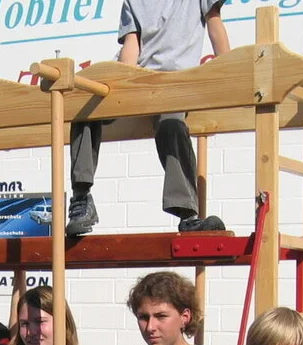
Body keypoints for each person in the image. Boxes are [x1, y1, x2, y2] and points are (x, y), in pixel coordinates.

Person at [65, 0, 230, 236]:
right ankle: (82, 199)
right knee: (84, 108)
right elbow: (132, 48)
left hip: (174, 83)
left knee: (171, 124)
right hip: (136, 77)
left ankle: (188, 216)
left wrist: (230, 70)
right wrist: (124, 90)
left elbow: (215, 24)